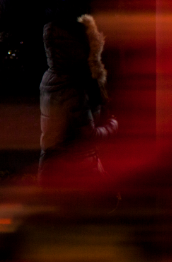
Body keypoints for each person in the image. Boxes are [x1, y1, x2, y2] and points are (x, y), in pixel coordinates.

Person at [39, 15, 118, 188]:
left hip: (53, 167)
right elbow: (88, 136)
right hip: (75, 172)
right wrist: (112, 125)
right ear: (75, 48)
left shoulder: (51, 77)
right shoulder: (73, 88)